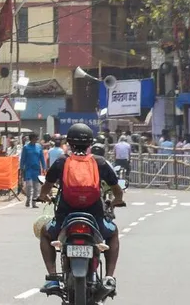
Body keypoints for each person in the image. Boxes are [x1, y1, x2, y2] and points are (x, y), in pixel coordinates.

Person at [36, 123, 125, 296]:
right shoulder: (100, 162)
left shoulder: (62, 161)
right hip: (95, 216)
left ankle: (53, 277)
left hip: (65, 216)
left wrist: (43, 196)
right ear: (90, 143)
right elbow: (116, 188)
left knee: (45, 234)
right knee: (113, 234)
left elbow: (46, 186)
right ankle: (109, 277)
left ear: (69, 142)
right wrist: (118, 200)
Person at [20, 134, 45, 207]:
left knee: (36, 187)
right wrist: (21, 167)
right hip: (28, 169)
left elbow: (42, 158)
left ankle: (34, 202)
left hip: (36, 169)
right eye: (34, 138)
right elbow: (23, 158)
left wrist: (44, 167)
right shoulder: (26, 147)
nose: (36, 139)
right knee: (29, 185)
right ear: (31, 139)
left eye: (36, 138)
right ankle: (28, 199)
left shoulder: (39, 147)